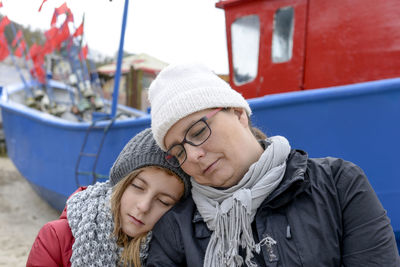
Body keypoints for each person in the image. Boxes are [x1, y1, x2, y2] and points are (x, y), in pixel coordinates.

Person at [146, 62, 400, 266]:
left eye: (199, 132)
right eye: (177, 151)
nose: (192, 156)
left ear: (238, 113)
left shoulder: (339, 184)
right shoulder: (177, 228)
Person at [26, 128, 190, 267]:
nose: (144, 206)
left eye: (163, 201)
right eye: (138, 187)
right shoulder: (56, 238)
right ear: (120, 184)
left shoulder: (176, 253)